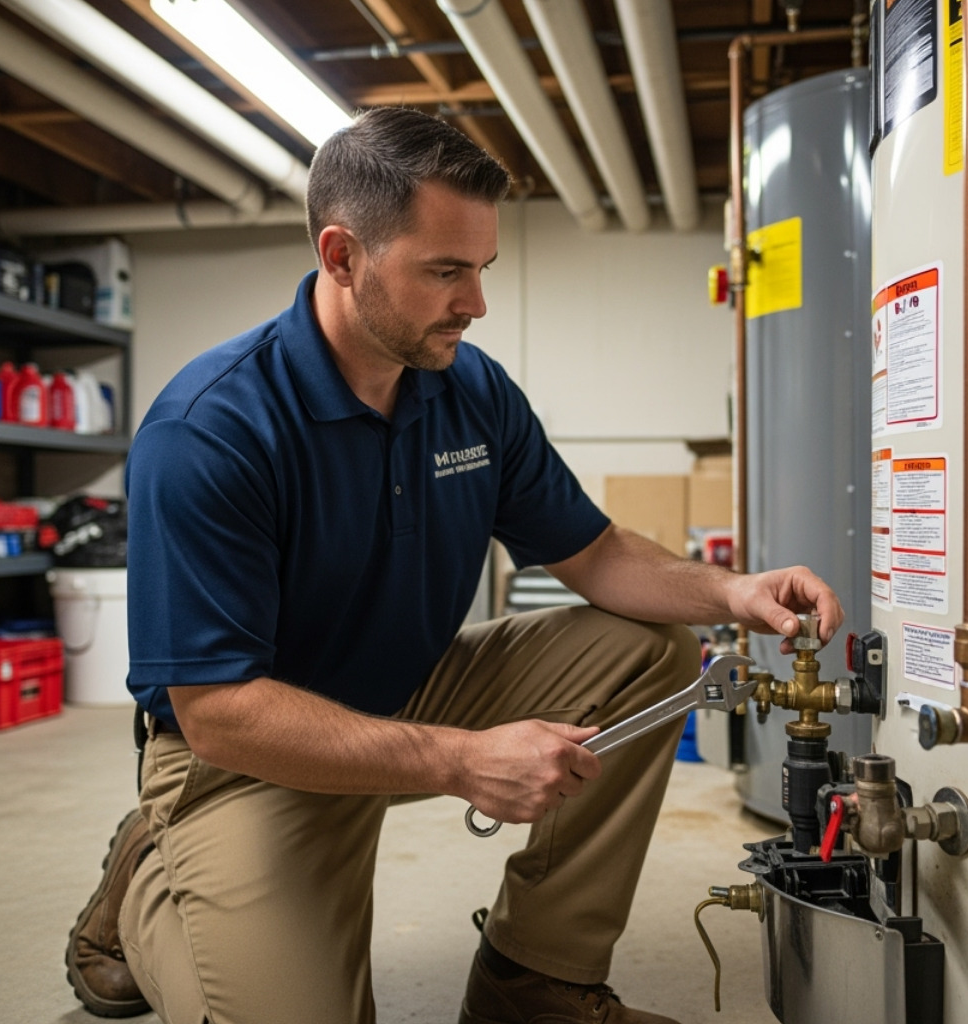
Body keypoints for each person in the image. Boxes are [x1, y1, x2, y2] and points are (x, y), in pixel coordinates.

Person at [66, 107, 842, 1024]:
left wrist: (731, 591)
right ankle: (154, 874)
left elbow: (592, 552)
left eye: (482, 269)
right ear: (342, 254)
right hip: (245, 757)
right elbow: (221, 713)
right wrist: (459, 760)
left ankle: (535, 983)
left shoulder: (470, 390)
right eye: (446, 271)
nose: (475, 302)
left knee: (653, 653)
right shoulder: (212, 430)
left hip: (411, 689)